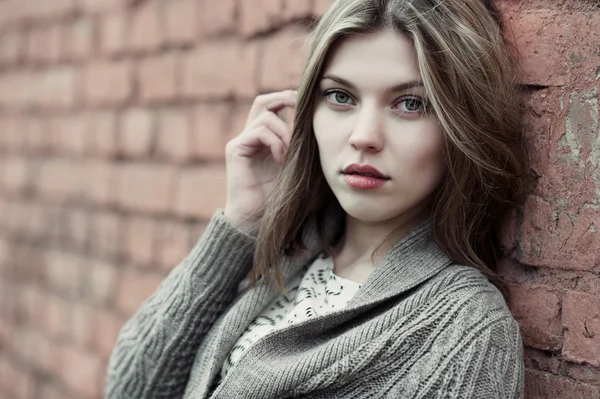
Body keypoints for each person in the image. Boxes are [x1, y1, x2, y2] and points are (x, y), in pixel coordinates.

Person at [105, 0, 527, 397]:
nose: (363, 136)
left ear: (460, 126)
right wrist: (240, 226)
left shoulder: (468, 327)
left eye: (410, 104)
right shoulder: (292, 258)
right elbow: (132, 387)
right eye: (340, 96)